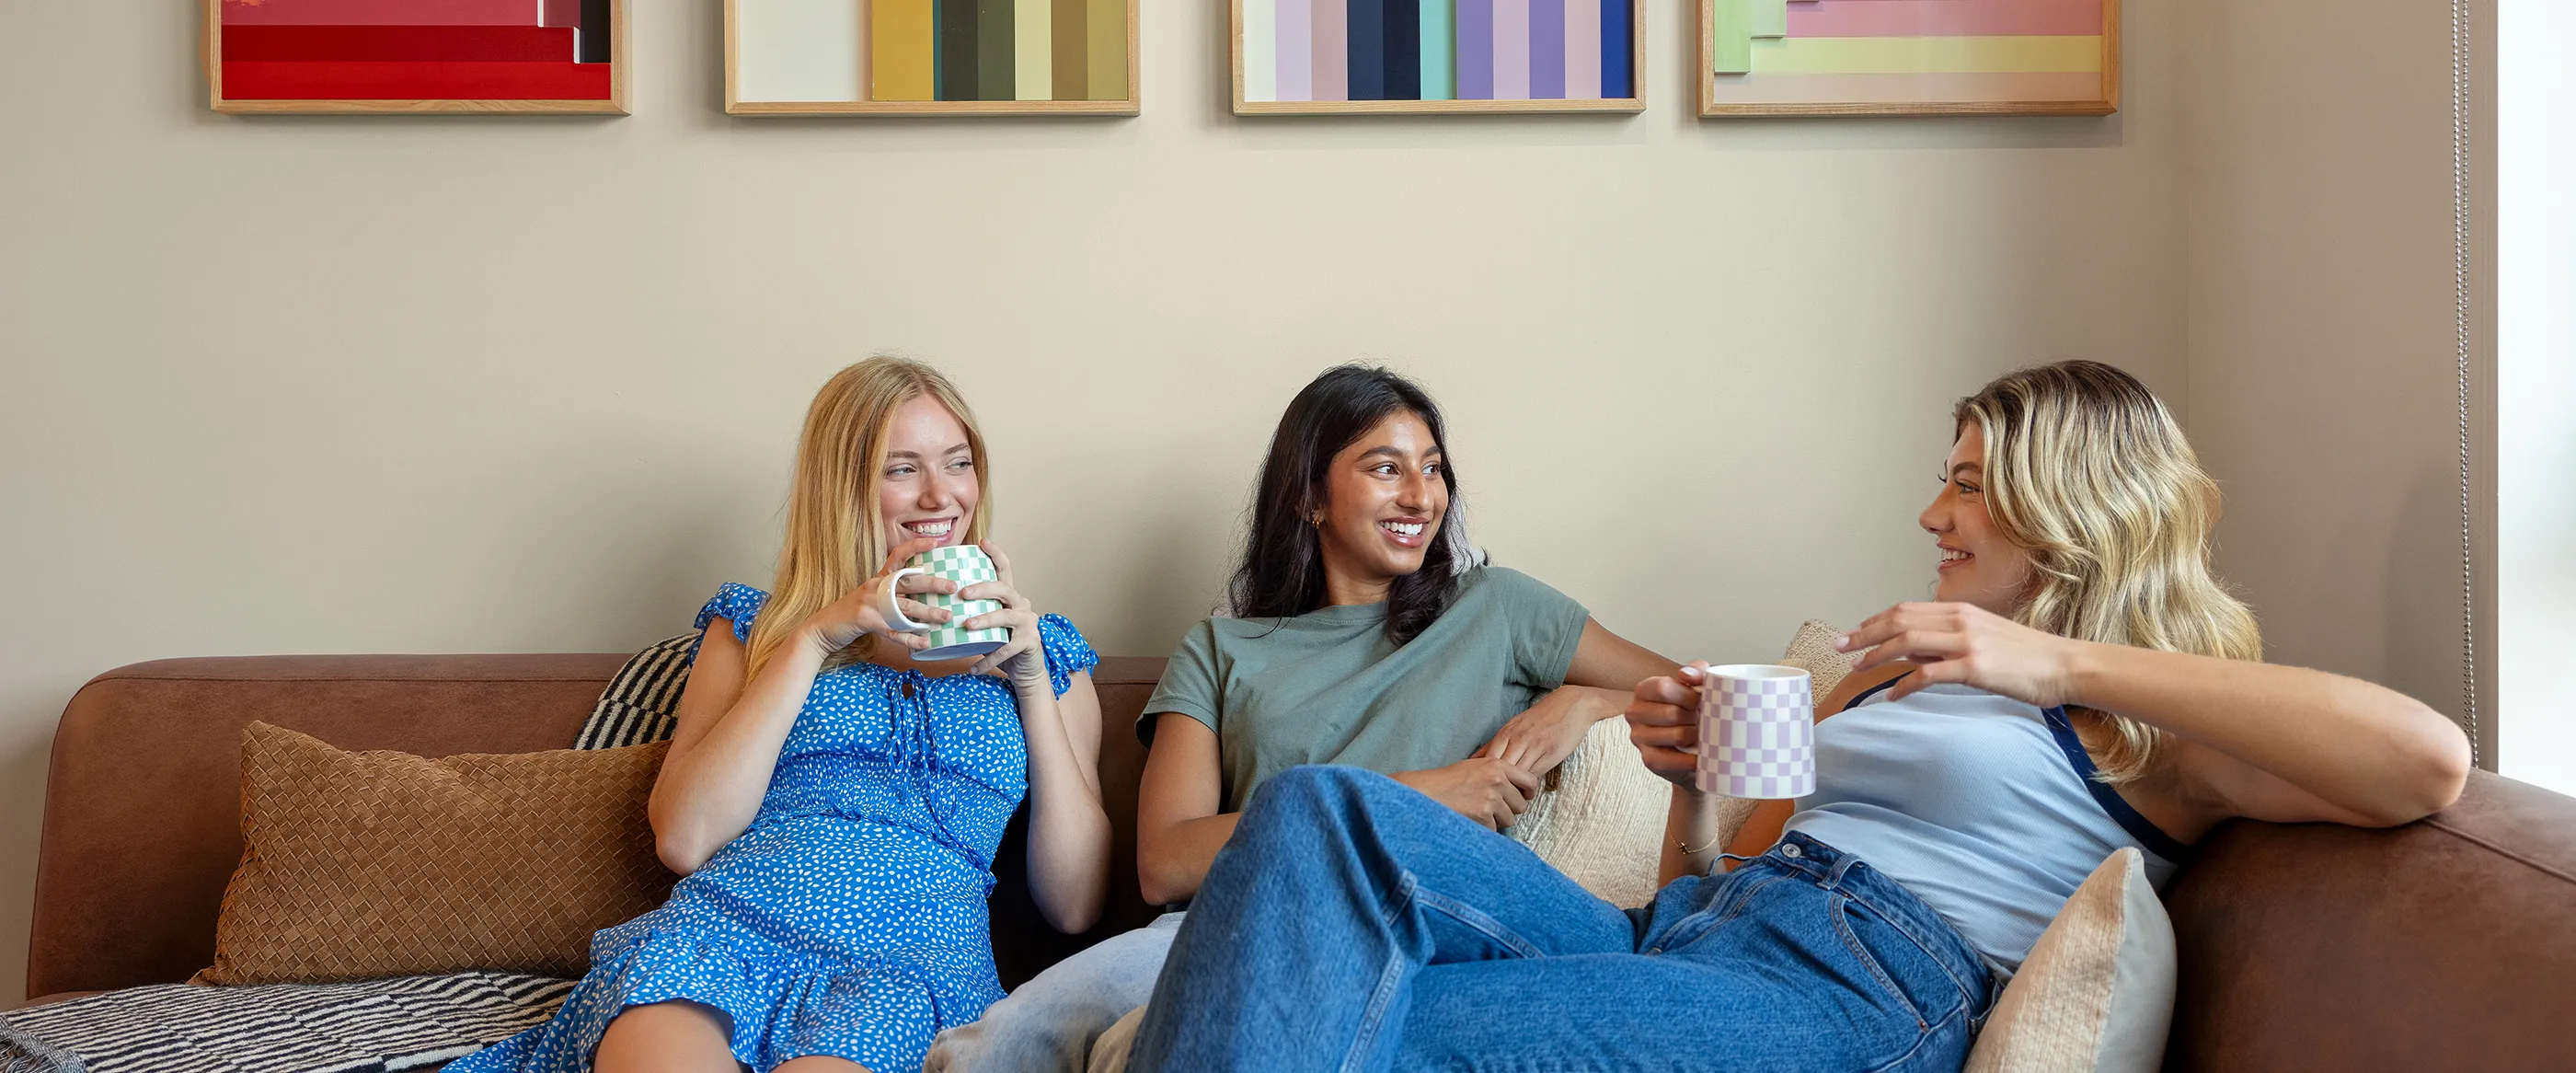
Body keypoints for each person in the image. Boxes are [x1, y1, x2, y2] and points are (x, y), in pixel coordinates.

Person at [1126, 360, 2472, 1072]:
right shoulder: (1887, 666)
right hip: (1696, 931)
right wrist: (1689, 777)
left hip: (1858, 986)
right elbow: (1711, 869)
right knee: (1314, 810)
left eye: (1966, 485)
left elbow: (2426, 761)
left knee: (1378, 1031)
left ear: (2068, 503)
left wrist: (2056, 662)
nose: (1932, 514)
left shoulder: (2150, 724)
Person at [925, 364, 1678, 1070]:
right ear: (1310, 496)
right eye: (1386, 469)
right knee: (1004, 1039)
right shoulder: (1221, 649)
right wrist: (1420, 794)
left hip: (1423, 925)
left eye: (1433, 469)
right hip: (1235, 922)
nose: (1421, 497)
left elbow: (1699, 697)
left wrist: (1586, 702)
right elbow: (1164, 862)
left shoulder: (1499, 609)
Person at [453, 358, 1111, 1073]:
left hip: (908, 971)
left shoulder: (1046, 655)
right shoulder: (756, 630)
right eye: (901, 469)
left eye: (958, 462)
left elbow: (1075, 903)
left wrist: (1031, 680)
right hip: (721, 934)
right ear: (841, 488)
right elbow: (686, 838)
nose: (940, 494)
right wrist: (817, 635)